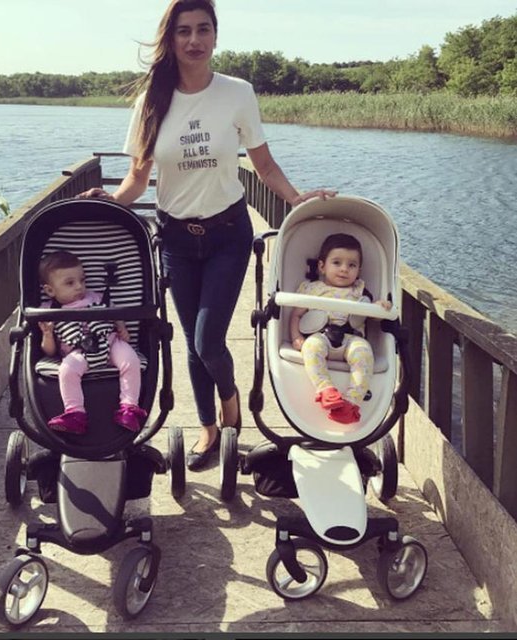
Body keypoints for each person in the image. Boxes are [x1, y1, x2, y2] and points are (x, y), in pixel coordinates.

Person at [79, 0, 336, 469]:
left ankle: (230, 400)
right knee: (192, 340)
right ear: (171, 39)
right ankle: (208, 428)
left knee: (207, 340)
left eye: (203, 29)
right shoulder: (151, 101)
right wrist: (111, 201)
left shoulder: (237, 93)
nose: (194, 40)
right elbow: (137, 178)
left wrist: (297, 198)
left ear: (216, 36)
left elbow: (263, 165)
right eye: (184, 31)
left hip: (227, 233)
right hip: (176, 238)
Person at [38, 250, 147, 435]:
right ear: (50, 290)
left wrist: (121, 327)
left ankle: (129, 408)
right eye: (70, 283)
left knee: (131, 360)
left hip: (110, 343)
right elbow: (49, 352)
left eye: (82, 280)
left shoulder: (96, 297)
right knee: (67, 371)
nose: (79, 287)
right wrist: (47, 335)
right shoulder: (49, 311)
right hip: (78, 351)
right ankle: (75, 413)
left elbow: (114, 312)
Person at [289, 233, 392, 426]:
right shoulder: (313, 289)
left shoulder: (360, 291)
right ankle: (326, 390)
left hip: (351, 339)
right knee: (311, 347)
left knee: (364, 352)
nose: (344, 269)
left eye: (352, 265)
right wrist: (296, 337)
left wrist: (380, 307)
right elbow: (296, 315)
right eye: (337, 263)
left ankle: (351, 403)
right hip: (321, 336)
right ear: (322, 266)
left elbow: (373, 316)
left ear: (359, 270)